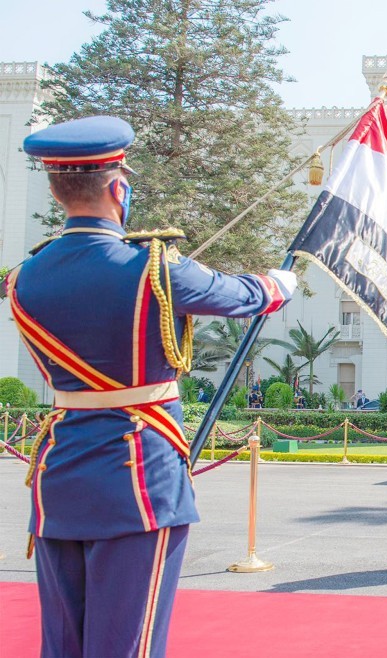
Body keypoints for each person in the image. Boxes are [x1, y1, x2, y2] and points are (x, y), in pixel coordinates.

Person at [9, 116, 297, 658]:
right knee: (128, 645)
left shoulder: (24, 278)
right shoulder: (154, 268)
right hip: (137, 477)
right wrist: (283, 280)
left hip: (60, 476)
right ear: (120, 186)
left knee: (63, 646)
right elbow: (241, 295)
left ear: (54, 188)